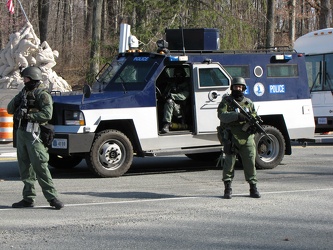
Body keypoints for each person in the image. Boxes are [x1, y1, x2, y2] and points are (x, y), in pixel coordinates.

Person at [7, 66, 64, 209]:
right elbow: (9, 109)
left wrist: (29, 116)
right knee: (25, 168)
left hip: (34, 134)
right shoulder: (23, 93)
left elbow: (47, 114)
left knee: (41, 166)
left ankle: (52, 197)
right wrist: (18, 99)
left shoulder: (42, 95)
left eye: (26, 78)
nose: (24, 80)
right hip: (21, 134)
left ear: (32, 78)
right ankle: (28, 198)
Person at [217, 77, 261, 199]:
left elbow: (254, 116)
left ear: (244, 88)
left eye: (241, 87)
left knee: (250, 163)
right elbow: (222, 116)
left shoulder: (248, 103)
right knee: (229, 164)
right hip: (231, 137)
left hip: (247, 138)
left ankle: (253, 188)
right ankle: (228, 188)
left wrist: (253, 124)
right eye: (236, 87)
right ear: (232, 88)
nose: (239, 89)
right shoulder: (226, 102)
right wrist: (237, 116)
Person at [161, 67, 190, 133]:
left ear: (183, 75)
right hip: (172, 108)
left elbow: (184, 96)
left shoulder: (186, 85)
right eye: (176, 75)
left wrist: (172, 95)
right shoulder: (172, 84)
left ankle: (166, 124)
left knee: (169, 102)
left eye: (180, 75)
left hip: (181, 109)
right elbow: (165, 93)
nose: (178, 77)